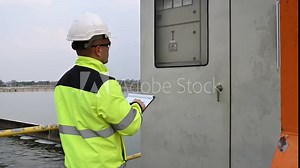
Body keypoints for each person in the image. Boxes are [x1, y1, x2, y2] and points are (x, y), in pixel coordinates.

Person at [54, 13, 145, 168]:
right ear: (98, 50)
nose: (109, 49)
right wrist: (137, 107)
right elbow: (129, 126)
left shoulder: (62, 83)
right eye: (107, 44)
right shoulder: (104, 85)